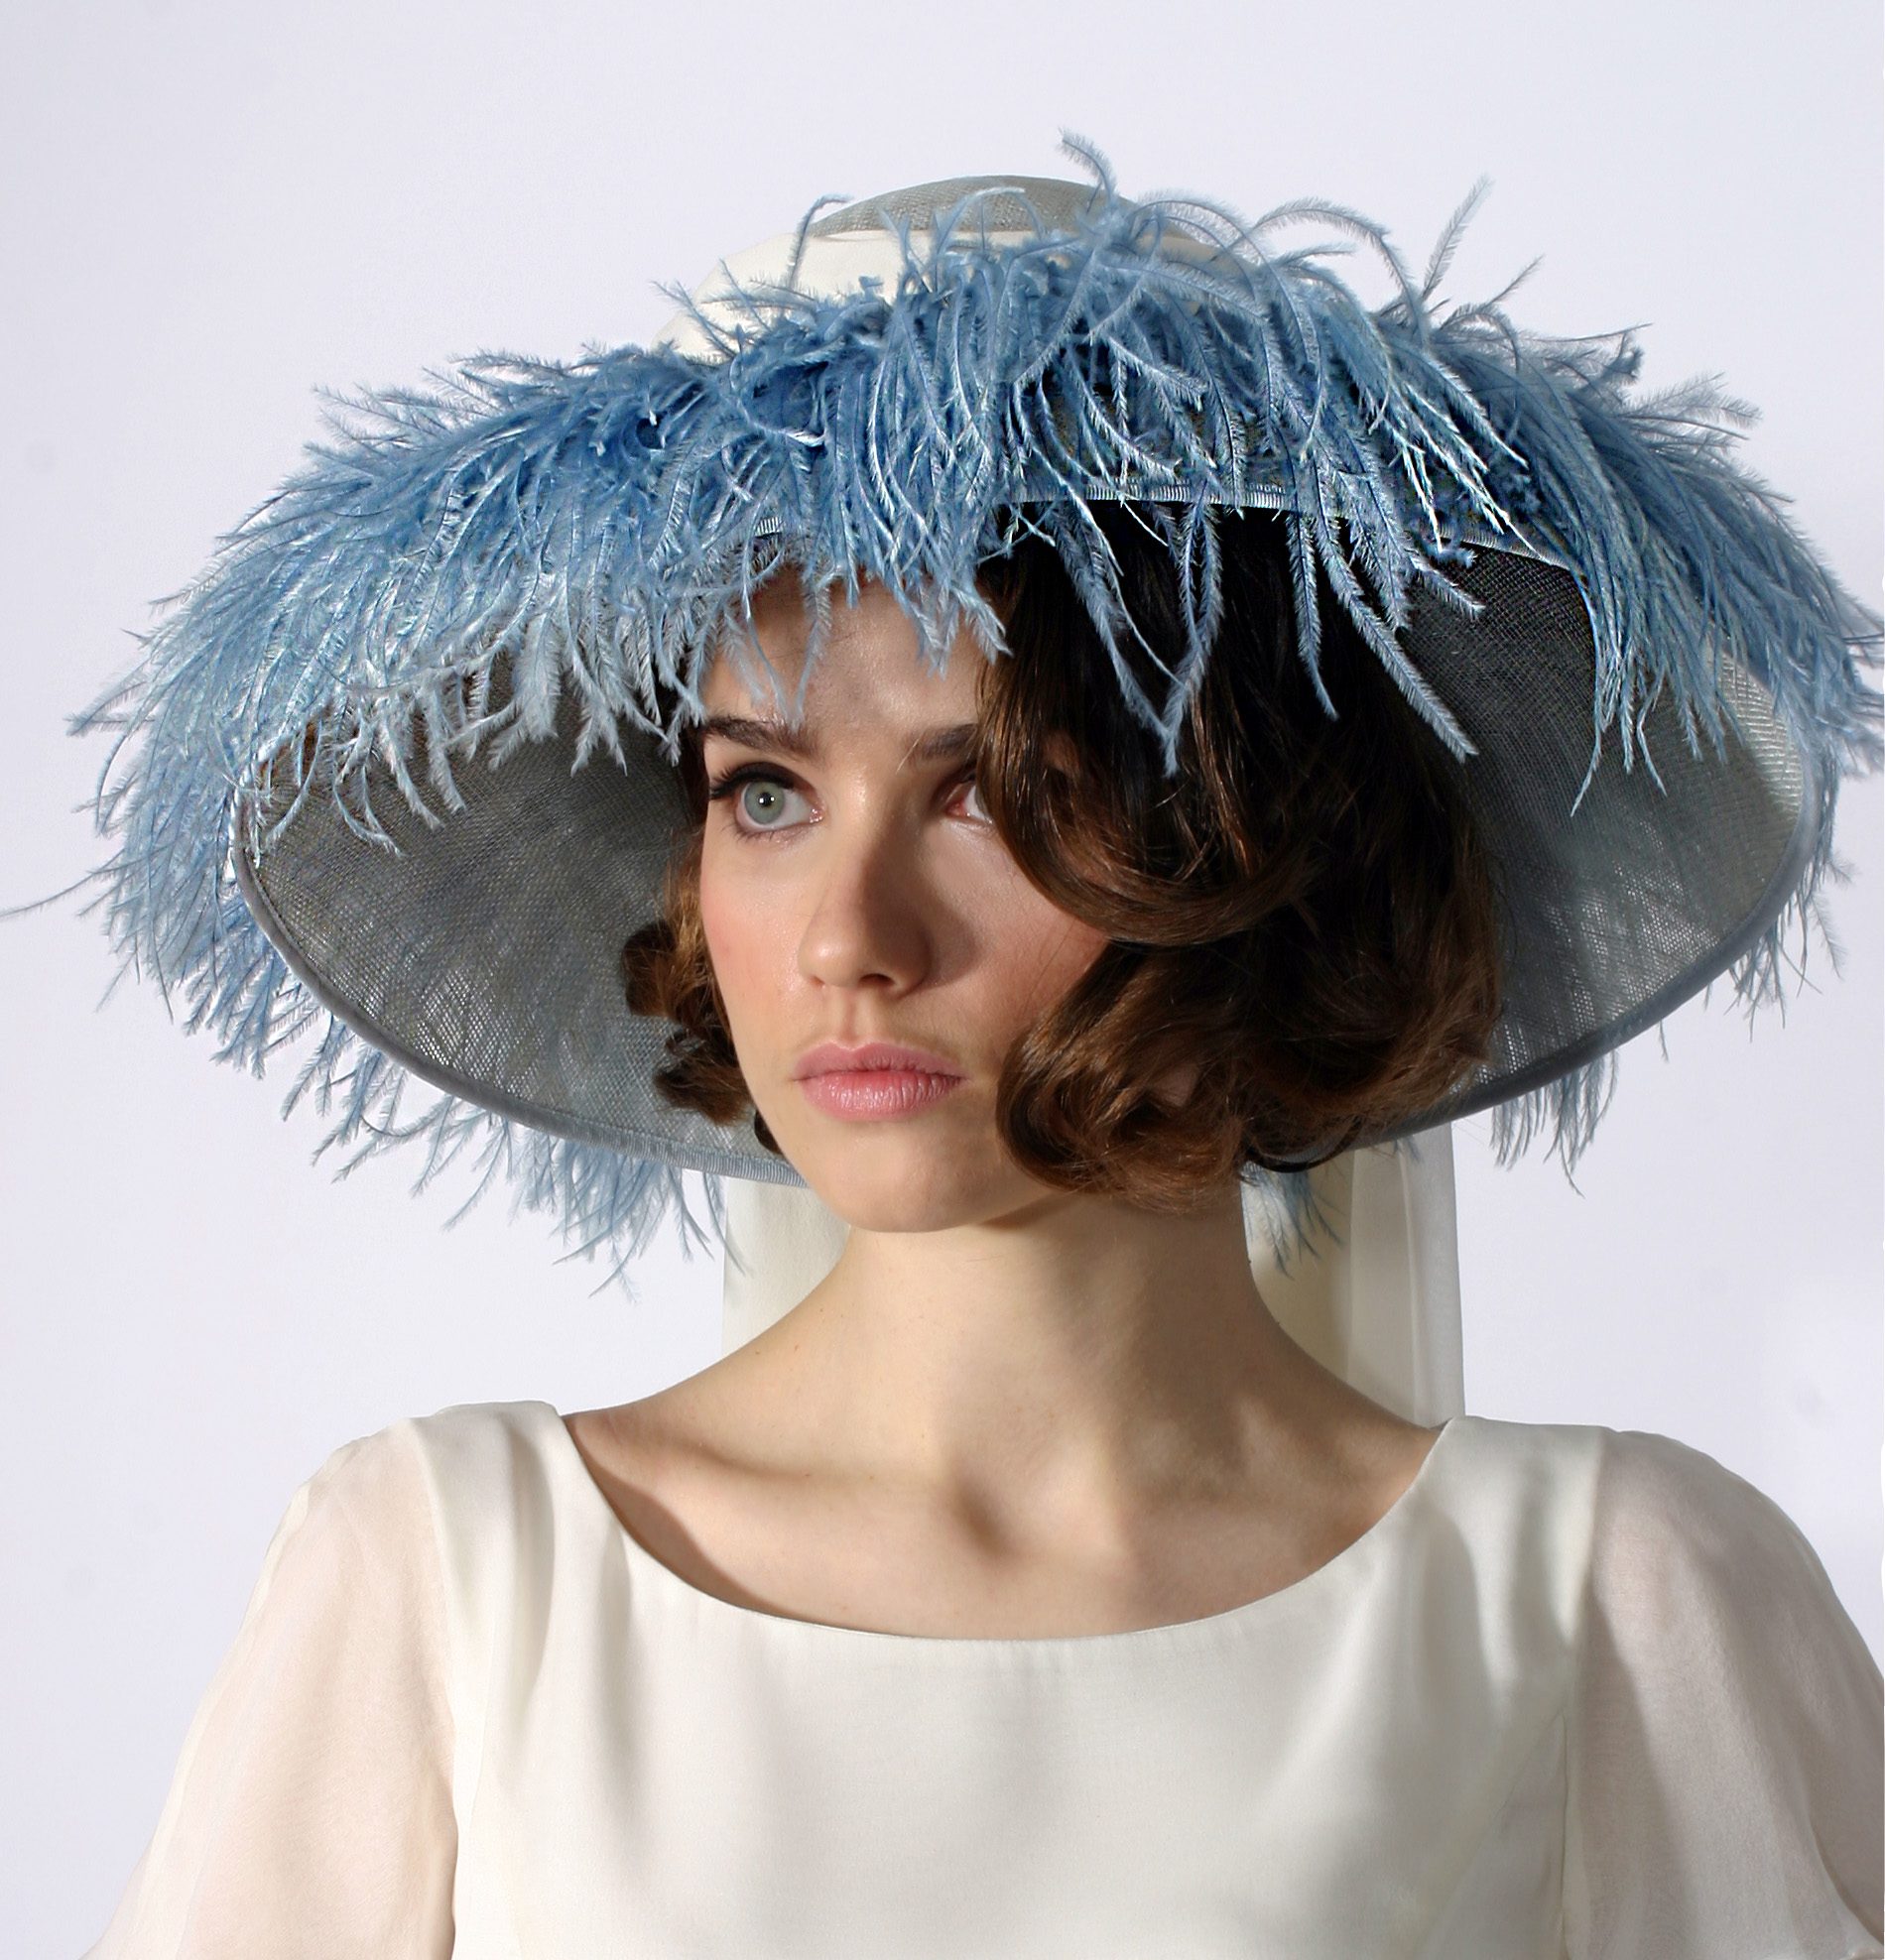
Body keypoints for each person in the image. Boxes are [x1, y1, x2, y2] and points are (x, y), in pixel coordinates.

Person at [71, 152, 1882, 1955]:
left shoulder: (1620, 1610)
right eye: (765, 793)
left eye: (995, 795)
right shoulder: (446, 1593)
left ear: (1254, 845)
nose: (849, 939)